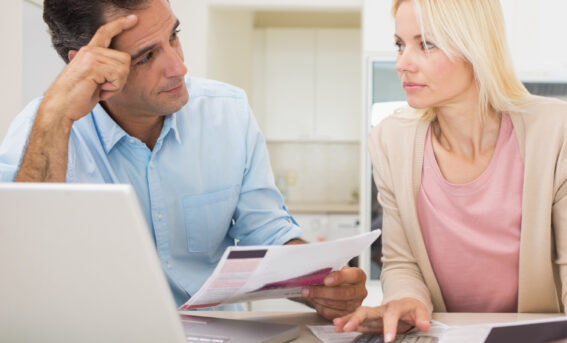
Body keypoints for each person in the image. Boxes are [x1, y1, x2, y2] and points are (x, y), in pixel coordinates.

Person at [333, 0, 567, 343]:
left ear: (475, 46)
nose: (402, 62)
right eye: (400, 44)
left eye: (426, 44)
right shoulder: (389, 139)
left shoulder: (562, 131)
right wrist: (410, 301)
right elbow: (401, 260)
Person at [0, 0, 366, 319]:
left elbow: (265, 234)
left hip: (219, 340)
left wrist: (322, 286)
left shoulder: (228, 113)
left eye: (174, 36)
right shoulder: (42, 127)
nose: (178, 68)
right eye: (146, 56)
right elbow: (21, 265)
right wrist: (55, 117)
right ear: (88, 66)